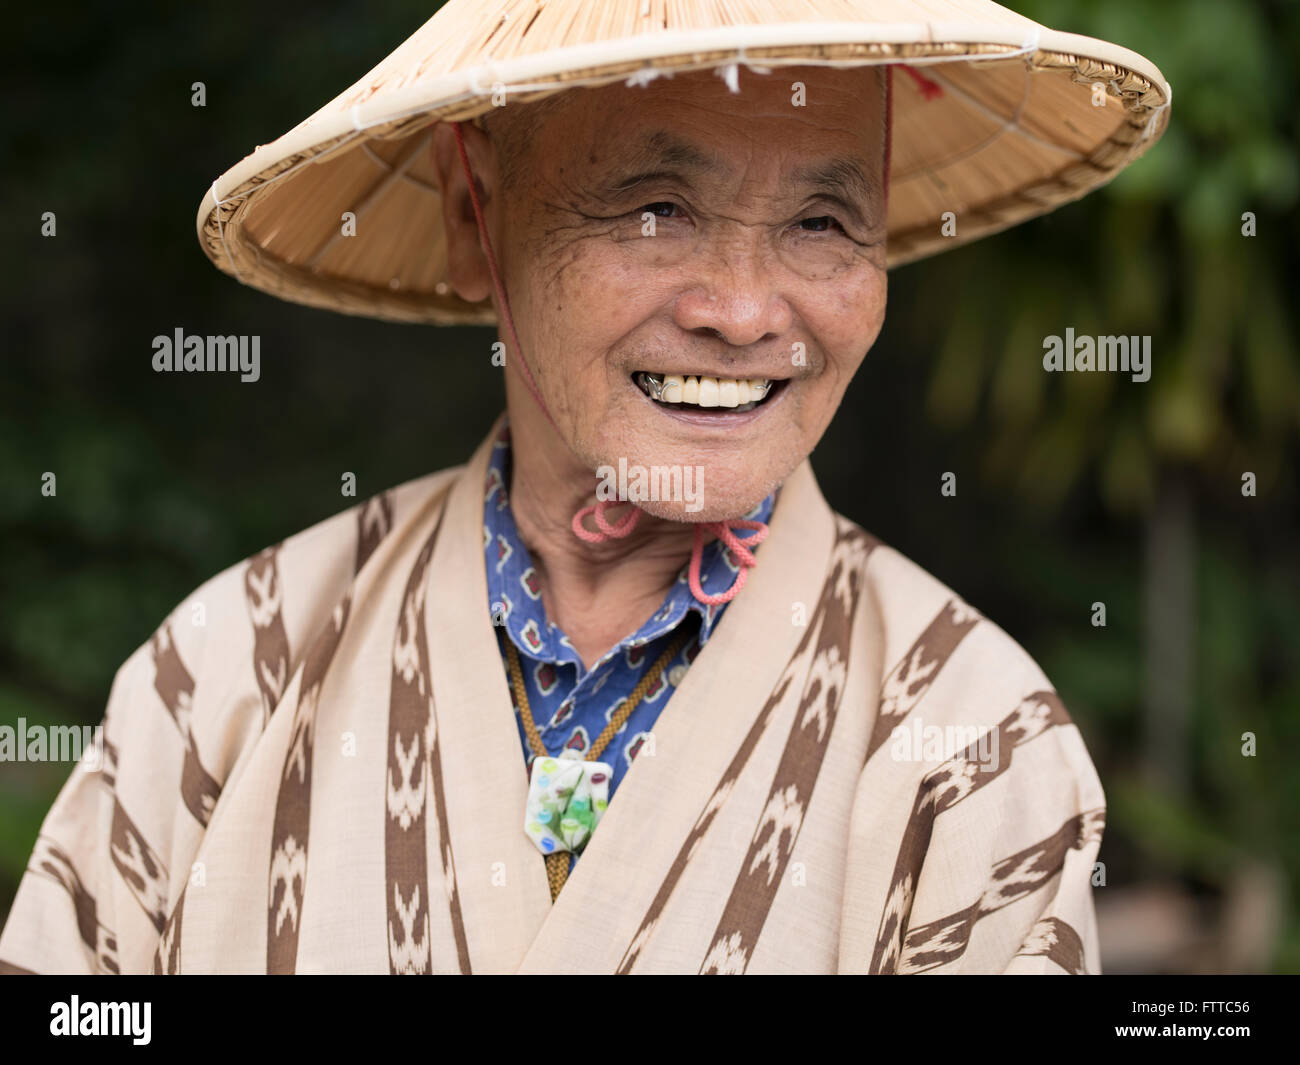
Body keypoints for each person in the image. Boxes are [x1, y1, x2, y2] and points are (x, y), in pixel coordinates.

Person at [0, 0, 1170, 974]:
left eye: (821, 221)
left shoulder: (973, 748)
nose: (746, 309)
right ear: (477, 214)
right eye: (656, 210)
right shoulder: (222, 681)